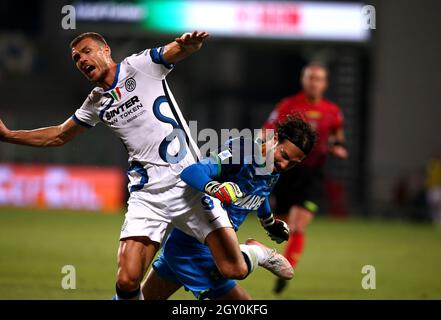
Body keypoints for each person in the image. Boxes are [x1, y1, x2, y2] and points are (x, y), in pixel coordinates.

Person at [0, 31, 284, 300]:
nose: (82, 60)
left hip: (191, 188)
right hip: (148, 197)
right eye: (76, 58)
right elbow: (60, 134)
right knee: (126, 281)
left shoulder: (140, 65)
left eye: (86, 52)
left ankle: (257, 252)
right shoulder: (96, 102)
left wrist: (188, 45)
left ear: (105, 50)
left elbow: (176, 51)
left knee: (233, 269)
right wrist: (9, 135)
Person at [141, 116, 317, 300]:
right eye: (284, 155)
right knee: (238, 275)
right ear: (274, 140)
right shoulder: (242, 151)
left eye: (293, 163)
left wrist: (269, 222)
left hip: (201, 247)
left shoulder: (273, 169)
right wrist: (216, 188)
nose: (285, 165)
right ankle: (258, 253)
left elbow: (260, 193)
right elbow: (191, 172)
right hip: (194, 244)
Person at [262, 63, 348, 294]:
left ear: (325, 83)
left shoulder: (332, 110)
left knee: (300, 225)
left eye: (319, 79)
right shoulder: (289, 105)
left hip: (313, 175)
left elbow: (337, 133)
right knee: (281, 227)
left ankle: (286, 268)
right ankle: (273, 258)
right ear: (304, 80)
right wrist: (262, 149)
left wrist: (337, 146)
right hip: (287, 172)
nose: (314, 82)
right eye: (310, 78)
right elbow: (267, 130)